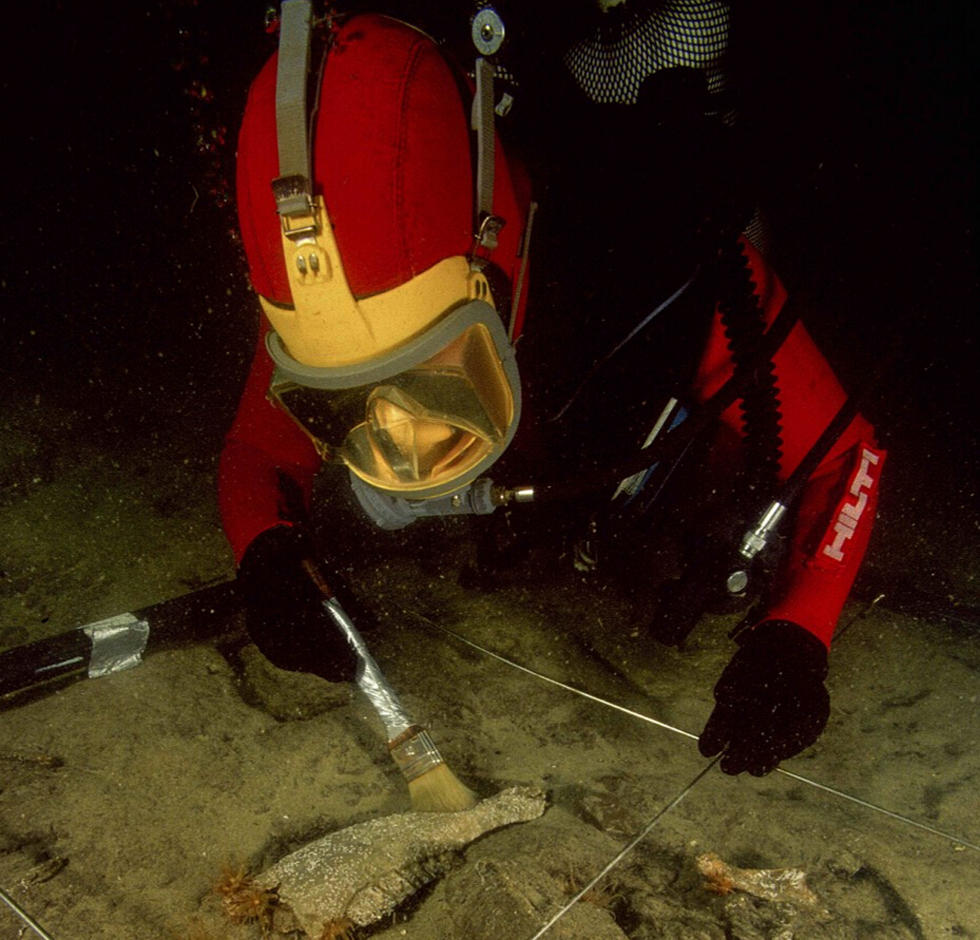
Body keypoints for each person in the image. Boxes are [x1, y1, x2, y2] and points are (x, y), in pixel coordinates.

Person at [219, 0, 885, 777]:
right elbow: (256, 446)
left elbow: (850, 456)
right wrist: (268, 557)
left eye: (429, 377)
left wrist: (796, 632)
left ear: (491, 276)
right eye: (337, 399)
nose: (399, 436)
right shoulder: (335, 303)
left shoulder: (666, 266)